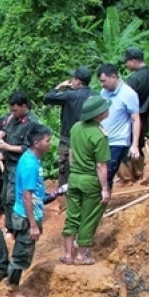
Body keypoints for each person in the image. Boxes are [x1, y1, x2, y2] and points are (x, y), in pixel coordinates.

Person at [62, 96, 113, 266]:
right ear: (98, 114)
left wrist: (74, 171)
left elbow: (71, 152)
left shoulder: (76, 127)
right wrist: (104, 188)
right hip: (90, 180)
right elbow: (101, 165)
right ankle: (81, 256)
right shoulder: (99, 135)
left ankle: (68, 255)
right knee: (89, 217)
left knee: (72, 216)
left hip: (74, 177)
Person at [7, 126, 52, 297]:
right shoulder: (30, 165)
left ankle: (13, 285)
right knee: (21, 254)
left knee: (23, 251)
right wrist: (33, 225)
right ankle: (13, 289)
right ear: (37, 143)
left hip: (29, 212)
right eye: (47, 141)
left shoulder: (31, 158)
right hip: (26, 216)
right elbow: (27, 197)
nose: (50, 144)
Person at [0, 93, 40, 221]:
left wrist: (7, 147)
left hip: (20, 165)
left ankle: (15, 227)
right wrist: (2, 133)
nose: (13, 113)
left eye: (15, 110)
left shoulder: (32, 123)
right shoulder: (13, 118)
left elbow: (28, 148)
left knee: (13, 197)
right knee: (5, 197)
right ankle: (9, 226)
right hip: (8, 166)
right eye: (11, 110)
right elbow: (6, 130)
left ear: (23, 106)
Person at [97, 65, 141, 191]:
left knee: (107, 173)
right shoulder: (104, 92)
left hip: (118, 141)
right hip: (102, 139)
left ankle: (103, 204)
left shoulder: (128, 94)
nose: (102, 84)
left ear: (114, 77)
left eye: (104, 81)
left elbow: (135, 119)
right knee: (100, 173)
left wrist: (135, 145)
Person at [123, 48, 149, 184]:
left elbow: (125, 100)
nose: (126, 65)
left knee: (129, 145)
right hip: (146, 116)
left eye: (127, 61)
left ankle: (129, 178)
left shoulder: (134, 79)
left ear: (133, 61)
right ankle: (138, 175)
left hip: (132, 117)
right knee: (138, 144)